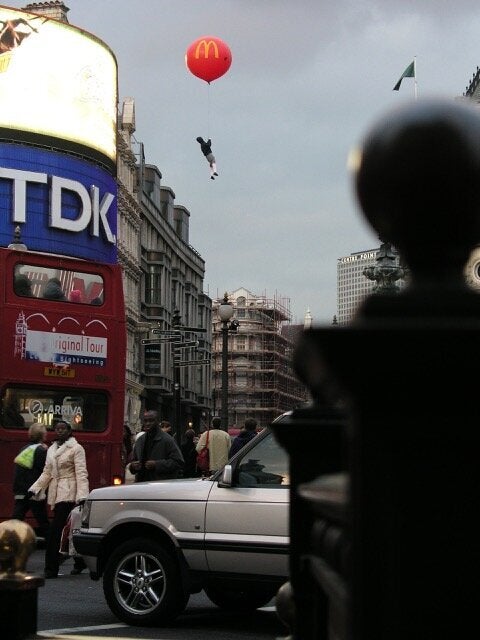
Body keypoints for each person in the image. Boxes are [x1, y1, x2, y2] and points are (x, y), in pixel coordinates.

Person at [28, 420, 89, 578]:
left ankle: (51, 569)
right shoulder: (52, 449)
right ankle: (80, 562)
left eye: (63, 429)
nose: (60, 431)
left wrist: (82, 496)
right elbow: (47, 472)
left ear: (69, 431)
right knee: (69, 530)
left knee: (56, 530)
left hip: (70, 493)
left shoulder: (76, 448)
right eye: (57, 429)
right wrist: (34, 489)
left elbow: (81, 473)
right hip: (57, 492)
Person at [11, 422, 49, 540]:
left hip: (21, 490)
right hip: (33, 491)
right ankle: (54, 546)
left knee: (16, 520)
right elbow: (45, 470)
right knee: (43, 521)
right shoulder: (41, 451)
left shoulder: (25, 449)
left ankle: (8, 541)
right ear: (42, 435)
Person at [128, 410, 184, 482]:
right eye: (145, 421)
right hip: (141, 484)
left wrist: (157, 464)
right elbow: (134, 461)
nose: (148, 423)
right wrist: (133, 466)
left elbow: (178, 462)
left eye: (151, 421)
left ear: (157, 422)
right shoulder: (140, 440)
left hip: (160, 486)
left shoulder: (167, 440)